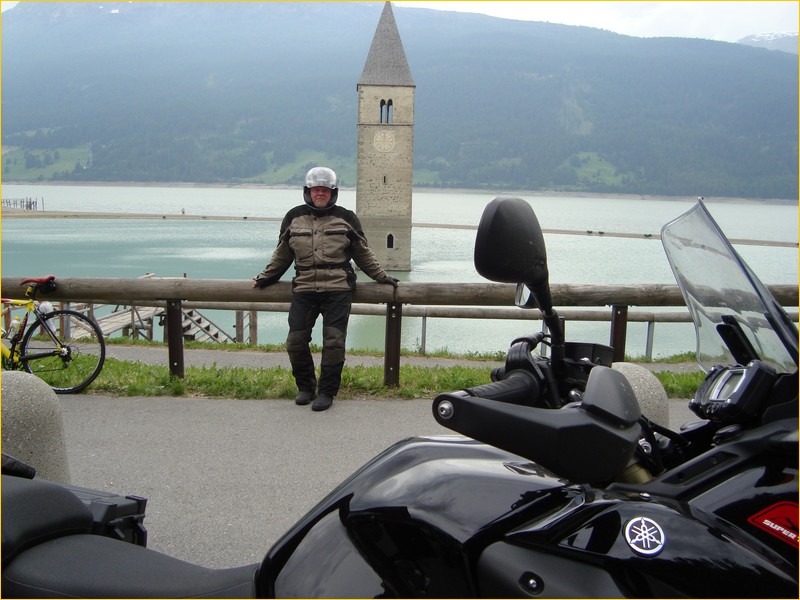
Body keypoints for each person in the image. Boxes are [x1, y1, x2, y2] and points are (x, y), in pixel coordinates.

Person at [253, 167, 398, 412]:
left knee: (334, 343)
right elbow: (282, 255)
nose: (320, 194)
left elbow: (363, 253)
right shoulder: (293, 218)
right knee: (295, 342)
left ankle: (327, 392)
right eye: (316, 190)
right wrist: (265, 278)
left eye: (325, 190)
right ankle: (305, 387)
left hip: (338, 290)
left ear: (333, 193)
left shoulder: (346, 218)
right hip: (304, 289)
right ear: (308, 192)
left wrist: (381, 277)